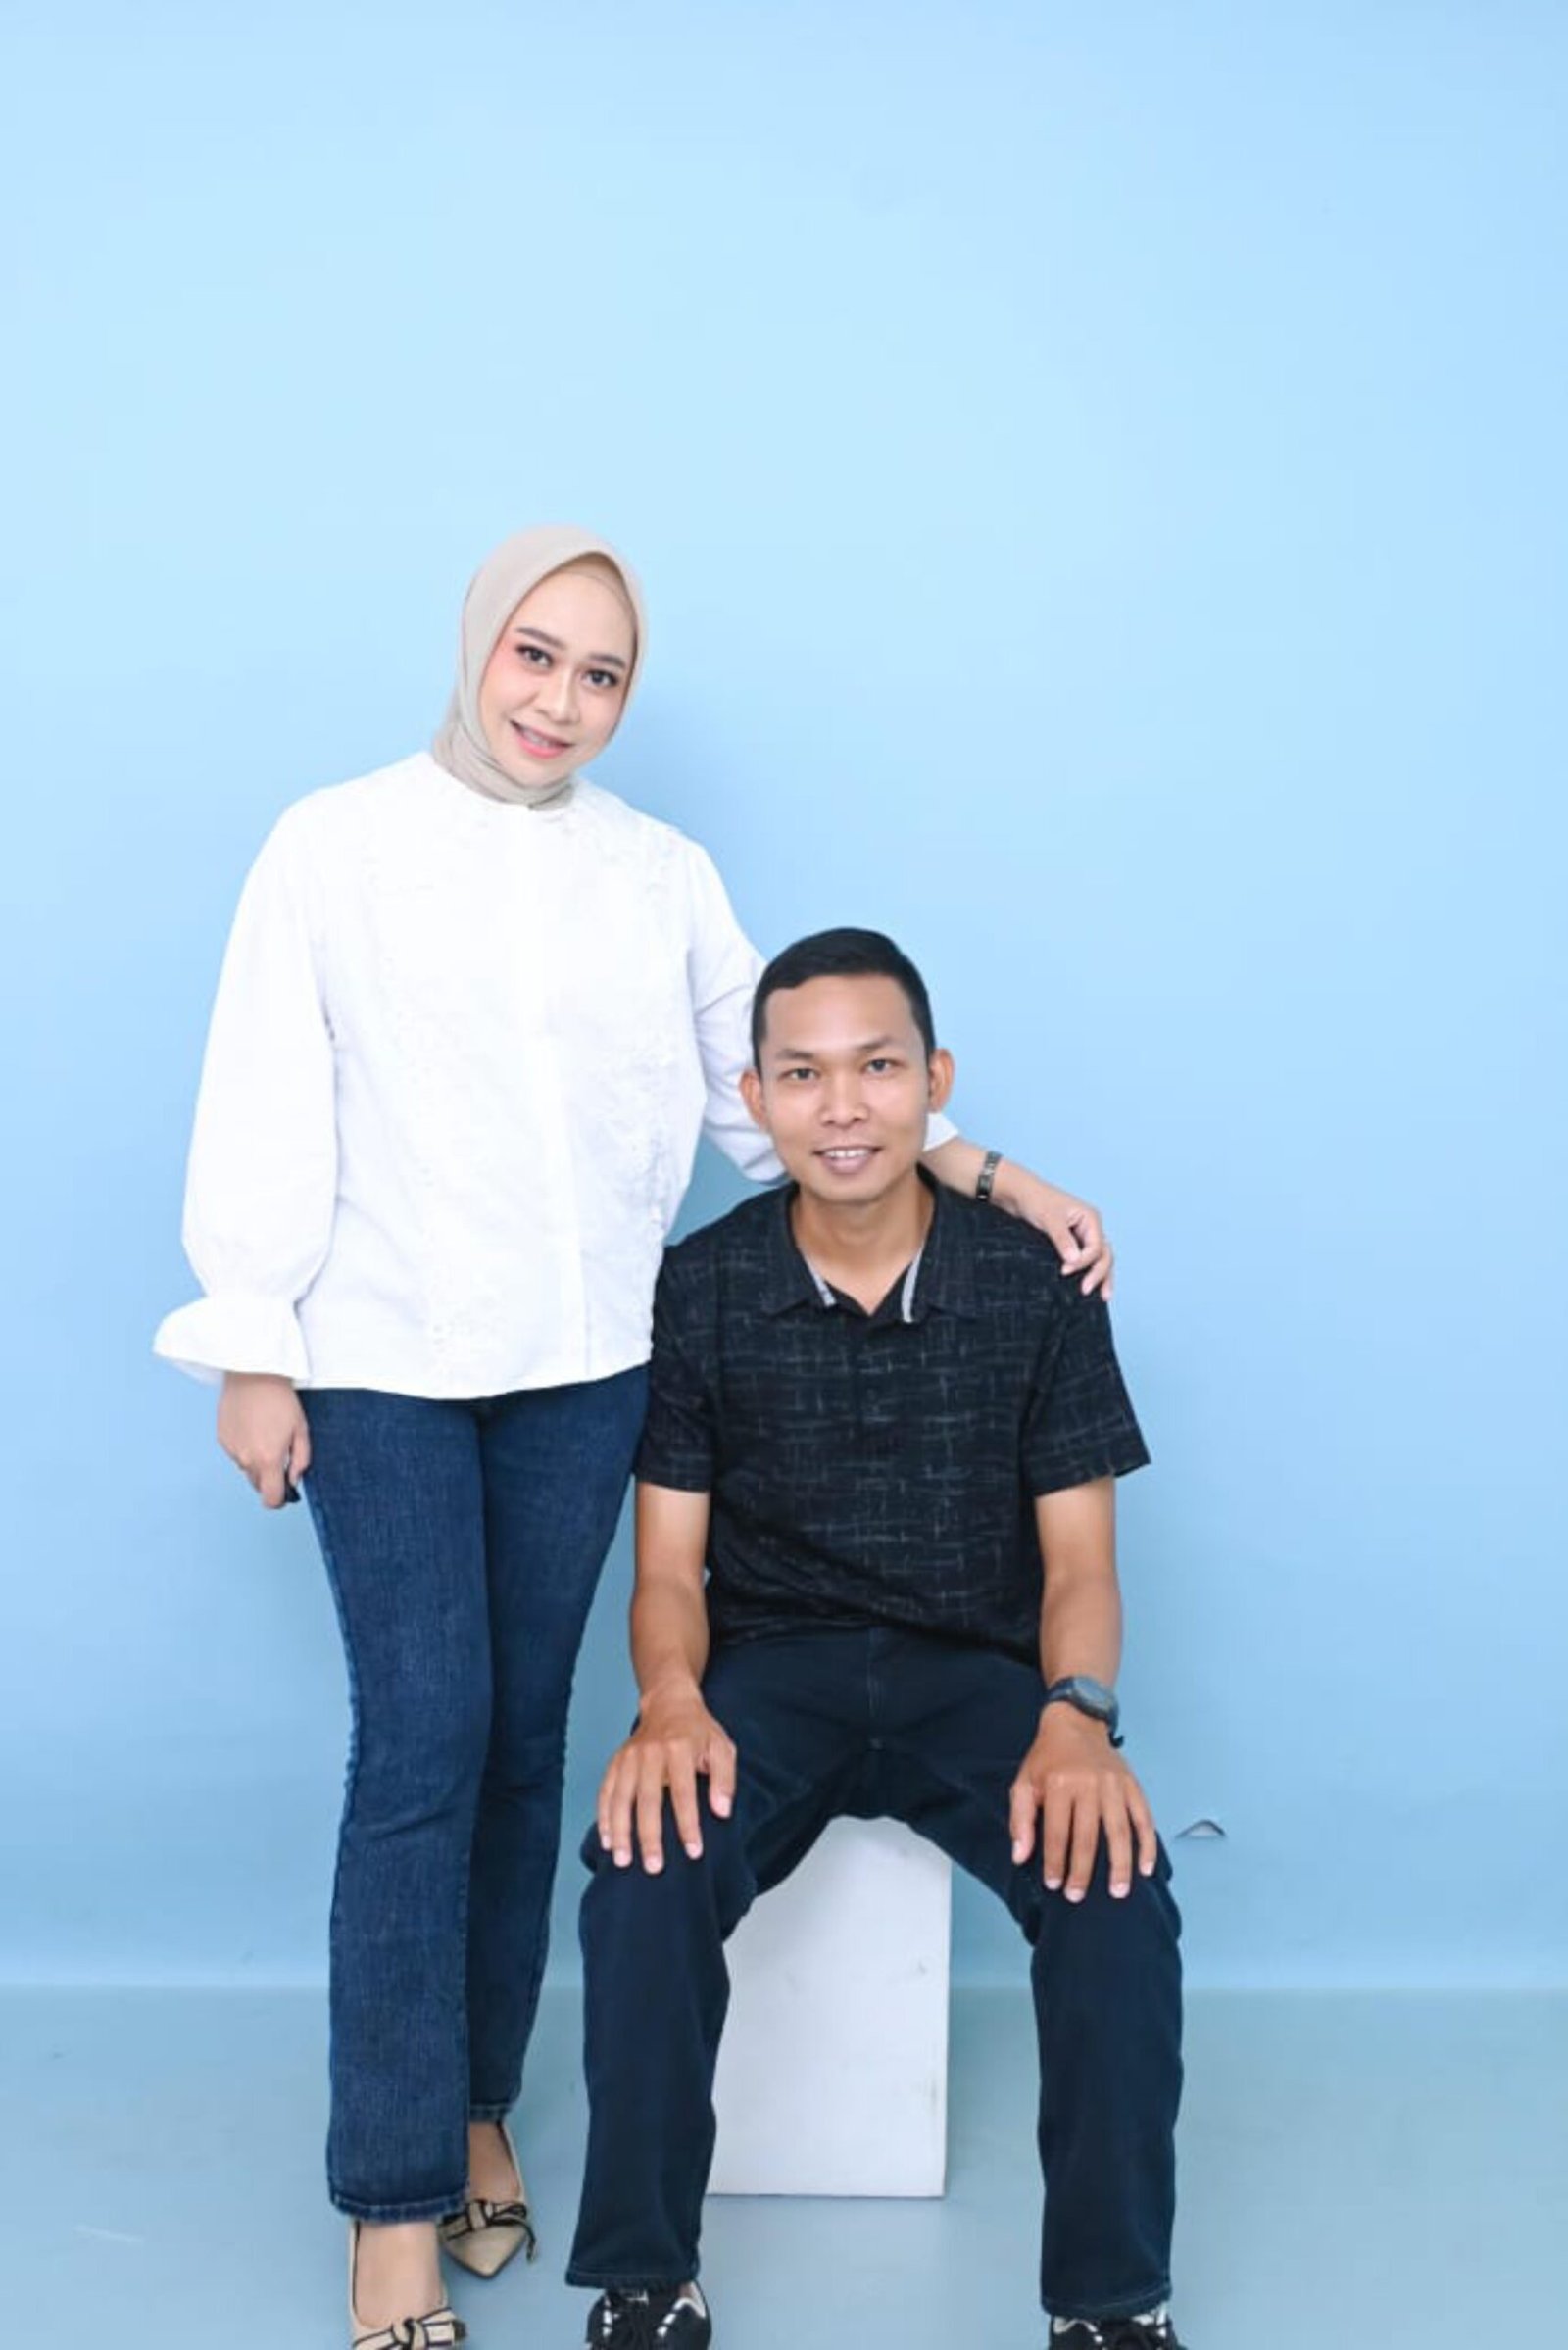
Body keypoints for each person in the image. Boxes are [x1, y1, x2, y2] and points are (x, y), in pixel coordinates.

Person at [153, 532, 1117, 2350]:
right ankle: (391, 2198)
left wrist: (991, 1171)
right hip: (375, 1357)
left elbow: (791, 1094)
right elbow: (266, 1088)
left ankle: (478, 2101)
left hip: (587, 1359)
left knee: (528, 1742)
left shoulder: (657, 875)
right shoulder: (331, 844)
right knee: (422, 1739)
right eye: (536, 653)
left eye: (601, 674)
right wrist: (250, 1342)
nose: (560, 700)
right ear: (475, 644)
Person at [570, 927, 1184, 2350]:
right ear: (755, 1098)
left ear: (935, 1081)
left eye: (877, 1068)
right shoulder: (701, 1286)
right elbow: (666, 1568)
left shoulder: (1031, 1283)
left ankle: (1110, 2303)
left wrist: (1078, 1711)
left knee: (1118, 1888)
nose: (842, 1107)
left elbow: (1082, 1563)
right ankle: (645, 2278)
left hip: (979, 1678)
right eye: (802, 1075)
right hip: (771, 1677)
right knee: (641, 1864)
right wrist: (670, 1699)